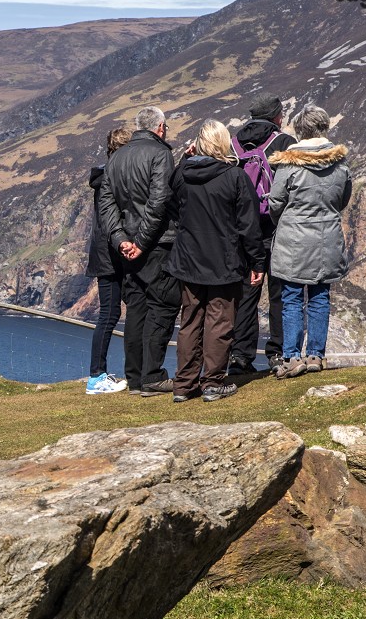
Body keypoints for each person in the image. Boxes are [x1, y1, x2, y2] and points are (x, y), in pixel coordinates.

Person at [165, 120, 265, 402]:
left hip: (188, 259)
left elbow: (171, 204)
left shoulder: (183, 174)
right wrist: (257, 262)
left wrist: (185, 158)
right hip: (224, 260)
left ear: (198, 143)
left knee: (190, 320)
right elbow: (249, 226)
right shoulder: (235, 178)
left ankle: (183, 384)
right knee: (220, 322)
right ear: (224, 144)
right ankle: (212, 382)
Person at [97, 106, 182, 397]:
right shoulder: (160, 154)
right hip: (158, 243)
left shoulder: (116, 157)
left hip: (127, 245)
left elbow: (106, 205)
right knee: (164, 305)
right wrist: (143, 242)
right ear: (160, 127)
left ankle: (134, 377)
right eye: (166, 127)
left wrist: (122, 239)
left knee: (135, 308)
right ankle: (153, 376)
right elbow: (159, 201)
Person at [267, 105, 353, 378]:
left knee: (291, 296)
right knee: (319, 295)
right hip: (327, 238)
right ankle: (316, 355)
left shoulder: (289, 163)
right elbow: (342, 200)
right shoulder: (340, 164)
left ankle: (292, 357)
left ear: (300, 131)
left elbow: (275, 202)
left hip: (293, 239)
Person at [229, 94, 296, 374]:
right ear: (277, 116)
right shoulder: (284, 142)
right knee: (279, 293)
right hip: (276, 227)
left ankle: (240, 357)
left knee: (246, 293)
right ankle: (277, 353)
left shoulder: (233, 142)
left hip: (242, 229)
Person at [84, 127, 133, 394]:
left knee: (113, 313)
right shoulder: (112, 178)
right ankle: (96, 376)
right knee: (110, 314)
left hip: (106, 253)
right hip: (112, 254)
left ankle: (100, 374)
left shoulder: (103, 176)